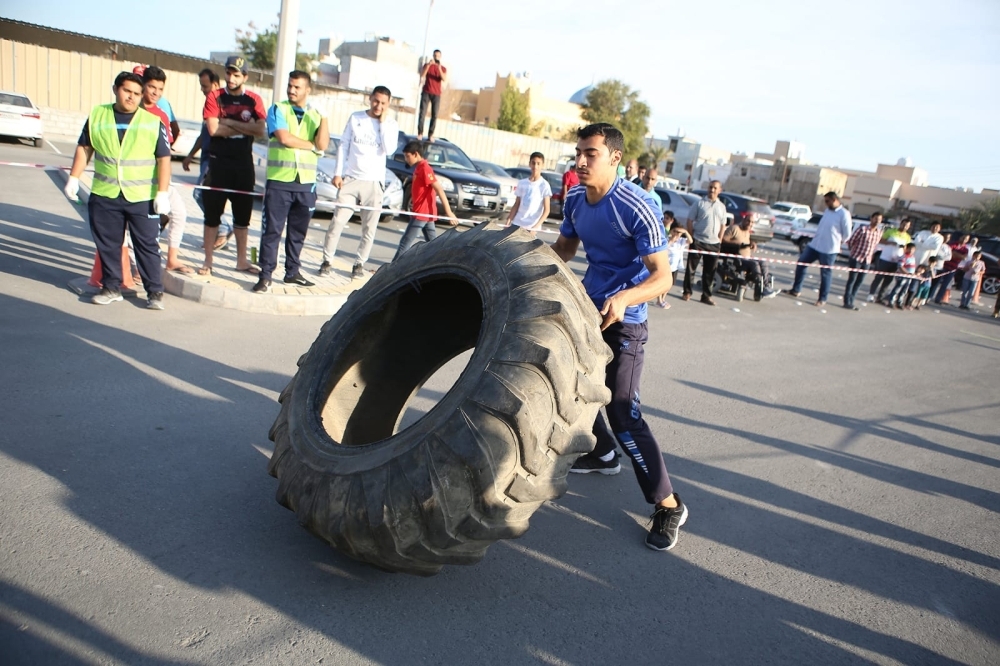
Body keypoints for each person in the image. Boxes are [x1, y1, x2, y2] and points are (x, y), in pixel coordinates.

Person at [552, 122, 688, 552]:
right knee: (571, 386)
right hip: (587, 308)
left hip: (627, 322)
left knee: (624, 412)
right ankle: (603, 453)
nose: (580, 161)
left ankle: (668, 505)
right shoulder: (575, 197)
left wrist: (625, 298)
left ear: (614, 158)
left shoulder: (637, 205)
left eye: (590, 154)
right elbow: (565, 249)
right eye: (578, 152)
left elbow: (662, 276)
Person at [63, 71, 172, 309]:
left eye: (136, 93)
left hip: (143, 197)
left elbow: (164, 159)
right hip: (105, 194)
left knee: (147, 245)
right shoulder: (98, 115)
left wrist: (162, 194)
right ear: (116, 89)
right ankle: (111, 287)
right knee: (109, 244)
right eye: (127, 91)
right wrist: (74, 177)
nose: (131, 97)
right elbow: (85, 147)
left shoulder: (153, 122)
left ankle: (155, 292)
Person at [252, 70, 330, 294]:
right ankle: (265, 275)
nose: (291, 90)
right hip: (280, 181)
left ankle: (292, 272)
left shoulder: (315, 115)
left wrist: (324, 117)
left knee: (298, 232)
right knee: (272, 231)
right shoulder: (279, 108)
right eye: (290, 86)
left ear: (308, 90)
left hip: (305, 183)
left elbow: (323, 143)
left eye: (297, 87)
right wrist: (311, 145)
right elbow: (284, 139)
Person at [320, 85, 399, 279]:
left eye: (382, 103)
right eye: (375, 101)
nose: (378, 105)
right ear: (370, 98)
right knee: (337, 222)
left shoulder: (391, 124)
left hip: (374, 183)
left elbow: (389, 149)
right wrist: (338, 173)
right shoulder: (356, 118)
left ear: (388, 104)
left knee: (369, 228)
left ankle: (359, 264)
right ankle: (327, 260)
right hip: (351, 179)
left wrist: (382, 123)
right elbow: (343, 146)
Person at [201, 56, 266, 276]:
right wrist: (243, 126)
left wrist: (227, 122)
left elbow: (259, 130)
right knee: (212, 216)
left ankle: (241, 261)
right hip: (219, 163)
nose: (231, 78)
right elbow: (213, 130)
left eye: (237, 74)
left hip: (243, 163)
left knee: (242, 217)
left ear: (245, 77)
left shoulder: (253, 100)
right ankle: (208, 262)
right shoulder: (215, 96)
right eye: (229, 73)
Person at [138, 66, 191, 275]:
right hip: (138, 179)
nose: (155, 93)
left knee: (179, 213)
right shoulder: (135, 111)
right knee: (139, 226)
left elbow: (165, 152)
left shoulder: (161, 114)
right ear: (143, 85)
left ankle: (172, 259)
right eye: (152, 87)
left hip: (159, 179)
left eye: (160, 89)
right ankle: (134, 267)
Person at [183, 68, 233, 250]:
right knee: (210, 197)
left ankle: (224, 228)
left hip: (215, 160)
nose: (202, 90)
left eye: (205, 86)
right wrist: (190, 155)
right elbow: (203, 135)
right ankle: (220, 234)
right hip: (206, 159)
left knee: (200, 194)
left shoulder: (222, 106)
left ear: (216, 85)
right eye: (201, 86)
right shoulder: (209, 105)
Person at [393, 139, 458, 259]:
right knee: (433, 245)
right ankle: (440, 263)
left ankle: (390, 272)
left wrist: (449, 213)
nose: (406, 159)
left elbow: (439, 189)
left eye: (408, 156)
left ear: (416, 154)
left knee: (405, 243)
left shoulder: (425, 169)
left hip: (422, 213)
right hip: (424, 213)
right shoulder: (418, 168)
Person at [787, 191, 852, 307]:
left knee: (825, 274)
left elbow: (847, 234)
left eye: (827, 201)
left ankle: (822, 298)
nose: (826, 204)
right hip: (815, 245)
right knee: (801, 263)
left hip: (829, 249)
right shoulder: (827, 211)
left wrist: (838, 242)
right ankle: (796, 289)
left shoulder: (844, 214)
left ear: (834, 200)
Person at [683, 179, 726, 305]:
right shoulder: (699, 203)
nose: (712, 190)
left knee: (710, 271)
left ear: (719, 190)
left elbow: (723, 224)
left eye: (715, 188)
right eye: (710, 187)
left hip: (713, 244)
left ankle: (706, 295)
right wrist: (691, 237)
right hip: (698, 240)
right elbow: (690, 220)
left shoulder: (721, 207)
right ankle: (687, 292)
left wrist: (720, 240)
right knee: (691, 269)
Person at [720, 212, 780, 298]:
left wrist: (751, 243)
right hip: (737, 259)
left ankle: (766, 286)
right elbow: (723, 240)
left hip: (747, 258)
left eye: (752, 222)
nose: (750, 224)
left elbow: (746, 242)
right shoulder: (734, 228)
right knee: (755, 264)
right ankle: (760, 285)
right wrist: (738, 244)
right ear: (743, 220)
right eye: (748, 221)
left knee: (763, 262)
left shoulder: (747, 231)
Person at [842, 211, 884, 310]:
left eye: (879, 220)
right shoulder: (863, 229)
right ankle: (847, 301)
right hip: (856, 258)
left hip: (867, 261)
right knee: (852, 280)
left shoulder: (879, 232)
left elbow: (874, 246)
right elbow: (851, 241)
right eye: (875, 219)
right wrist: (853, 252)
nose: (877, 221)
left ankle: (852, 300)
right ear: (871, 218)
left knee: (859, 282)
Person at [868, 217, 912, 302]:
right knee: (878, 277)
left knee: (888, 280)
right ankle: (871, 294)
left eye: (907, 226)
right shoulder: (891, 231)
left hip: (896, 260)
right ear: (901, 224)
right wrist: (890, 243)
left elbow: (907, 249)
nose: (904, 227)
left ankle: (880, 297)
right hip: (885, 258)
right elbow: (881, 241)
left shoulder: (907, 237)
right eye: (903, 224)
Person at [505, 152, 552, 232]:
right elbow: (516, 204)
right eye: (533, 163)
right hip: (517, 223)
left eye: (538, 164)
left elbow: (547, 210)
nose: (535, 166)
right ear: (530, 164)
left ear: (542, 165)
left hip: (531, 226)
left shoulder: (544, 185)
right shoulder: (522, 183)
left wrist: (536, 226)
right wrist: (509, 219)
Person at [657, 214, 689, 308]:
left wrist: (685, 231)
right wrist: (671, 240)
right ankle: (659, 300)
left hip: (674, 267)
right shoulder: (667, 239)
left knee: (669, 284)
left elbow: (690, 241)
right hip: (666, 265)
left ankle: (663, 298)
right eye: (675, 231)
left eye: (678, 232)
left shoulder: (681, 241)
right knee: (661, 283)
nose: (676, 234)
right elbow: (663, 248)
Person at [417, 50, 447, 141]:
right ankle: (420, 133)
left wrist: (439, 68)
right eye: (435, 56)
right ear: (433, 56)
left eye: (438, 56)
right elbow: (422, 75)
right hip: (426, 91)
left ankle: (431, 134)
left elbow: (444, 78)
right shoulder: (427, 65)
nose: (436, 57)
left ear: (440, 57)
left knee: (434, 114)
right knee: (422, 113)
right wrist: (429, 65)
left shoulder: (443, 68)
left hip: (436, 94)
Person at [883, 242, 917, 309]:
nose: (911, 251)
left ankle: (899, 302)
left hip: (909, 277)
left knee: (904, 290)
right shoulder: (904, 257)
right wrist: (906, 273)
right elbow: (900, 266)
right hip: (902, 276)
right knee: (897, 289)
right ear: (906, 249)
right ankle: (891, 301)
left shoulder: (913, 257)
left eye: (912, 249)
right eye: (909, 249)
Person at [929, 233, 953, 304]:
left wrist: (942, 257)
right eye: (945, 237)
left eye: (948, 238)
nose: (946, 239)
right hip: (933, 266)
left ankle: (930, 297)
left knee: (936, 284)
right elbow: (935, 253)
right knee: (929, 282)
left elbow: (949, 257)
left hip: (940, 267)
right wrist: (940, 256)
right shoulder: (938, 244)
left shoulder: (948, 247)